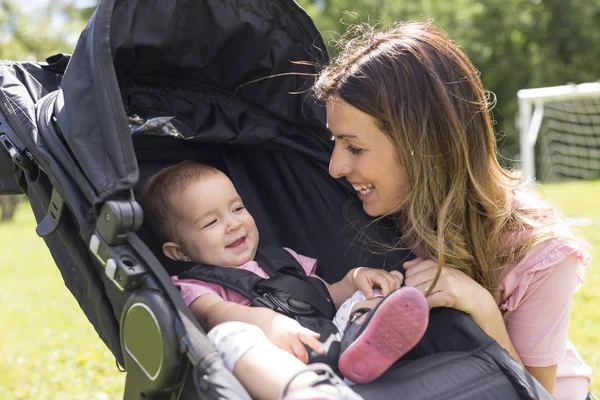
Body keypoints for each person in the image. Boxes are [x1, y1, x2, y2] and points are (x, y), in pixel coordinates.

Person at [313, 20, 593, 400]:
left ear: (421, 144)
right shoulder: (397, 206)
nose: (335, 168)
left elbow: (534, 394)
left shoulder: (540, 253)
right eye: (335, 142)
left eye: (355, 148)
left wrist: (479, 304)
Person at [140, 161, 430, 400]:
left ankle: (365, 346)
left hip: (332, 340)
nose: (233, 223)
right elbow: (216, 314)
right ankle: (306, 391)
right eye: (211, 222)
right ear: (177, 252)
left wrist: (355, 280)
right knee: (226, 336)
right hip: (277, 362)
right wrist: (264, 322)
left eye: (237, 208)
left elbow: (324, 294)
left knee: (364, 298)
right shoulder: (194, 286)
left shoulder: (285, 258)